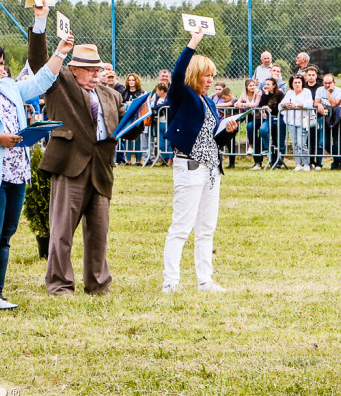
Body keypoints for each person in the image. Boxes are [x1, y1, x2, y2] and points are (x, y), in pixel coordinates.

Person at [0, 29, 73, 315]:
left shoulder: (8, 87)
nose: (0, 67)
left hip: (16, 173)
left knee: (5, 237)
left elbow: (43, 80)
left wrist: (61, 52)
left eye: (2, 62)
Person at [29, 3, 144, 297]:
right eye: (90, 71)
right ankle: (60, 285)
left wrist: (141, 119)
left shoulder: (110, 94)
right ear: (74, 69)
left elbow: (125, 132)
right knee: (62, 232)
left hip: (101, 170)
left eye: (99, 70)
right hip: (70, 165)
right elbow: (39, 60)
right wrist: (41, 23)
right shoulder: (60, 82)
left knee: (99, 233)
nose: (96, 75)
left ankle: (98, 284)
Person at [161, 29, 239, 294]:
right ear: (195, 75)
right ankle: (170, 281)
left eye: (212, 76)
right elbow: (176, 74)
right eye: (206, 75)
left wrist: (228, 131)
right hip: (189, 167)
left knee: (207, 228)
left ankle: (205, 280)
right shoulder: (183, 95)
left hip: (210, 169)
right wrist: (193, 42)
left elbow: (212, 139)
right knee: (181, 227)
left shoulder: (209, 102)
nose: (210, 80)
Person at [279, 75, 313, 171]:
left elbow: (309, 104)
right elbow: (281, 104)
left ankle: (306, 163)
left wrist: (297, 105)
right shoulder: (290, 93)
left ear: (302, 83)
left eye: (299, 82)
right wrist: (286, 105)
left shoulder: (307, 92)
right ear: (292, 84)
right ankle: (298, 163)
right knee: (295, 143)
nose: (297, 84)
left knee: (302, 143)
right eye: (295, 82)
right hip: (291, 121)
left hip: (303, 120)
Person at [315, 73, 341, 170]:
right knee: (323, 142)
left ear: (334, 82)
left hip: (337, 119)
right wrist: (318, 105)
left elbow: (334, 104)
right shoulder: (319, 90)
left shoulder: (339, 91)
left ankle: (336, 164)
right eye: (325, 83)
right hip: (325, 119)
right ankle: (340, 159)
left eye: (329, 83)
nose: (327, 85)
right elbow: (316, 102)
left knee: (337, 142)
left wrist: (328, 93)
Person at [252, 78, 283, 170]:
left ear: (274, 85)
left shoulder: (280, 94)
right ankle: (267, 147)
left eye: (268, 84)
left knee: (278, 139)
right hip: (269, 117)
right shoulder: (265, 94)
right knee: (263, 129)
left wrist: (271, 109)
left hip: (279, 117)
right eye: (265, 84)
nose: (266, 86)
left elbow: (281, 107)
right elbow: (261, 104)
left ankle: (278, 162)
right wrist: (265, 94)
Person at [118, 73, 146, 165]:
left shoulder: (141, 92)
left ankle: (138, 160)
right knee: (127, 137)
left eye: (133, 80)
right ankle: (128, 159)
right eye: (129, 80)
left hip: (137, 118)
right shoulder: (124, 92)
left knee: (137, 138)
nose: (131, 82)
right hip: (127, 118)